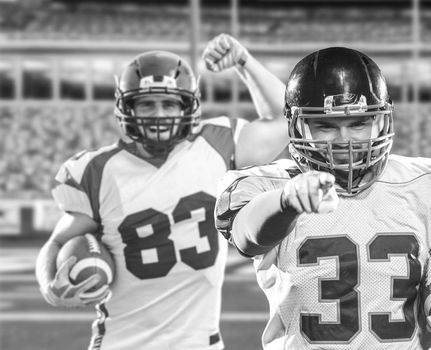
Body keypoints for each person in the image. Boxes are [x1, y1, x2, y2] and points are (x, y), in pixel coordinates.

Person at [214, 46, 431, 349]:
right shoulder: (270, 187)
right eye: (325, 126)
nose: (344, 140)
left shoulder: (428, 184)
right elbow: (246, 236)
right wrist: (286, 203)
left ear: (382, 120)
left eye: (358, 123)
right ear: (297, 126)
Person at [34, 34, 288, 350]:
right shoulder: (96, 170)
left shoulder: (218, 144)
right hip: (121, 343)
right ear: (127, 107)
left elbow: (285, 118)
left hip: (198, 343)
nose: (158, 113)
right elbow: (57, 241)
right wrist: (49, 283)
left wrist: (244, 61)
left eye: (169, 102)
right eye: (147, 103)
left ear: (188, 105)